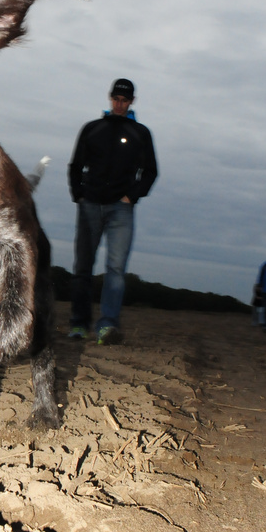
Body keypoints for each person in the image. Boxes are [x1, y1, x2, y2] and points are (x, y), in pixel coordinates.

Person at [68, 78, 158, 344]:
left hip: (121, 208)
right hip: (90, 206)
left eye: (125, 100)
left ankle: (107, 325)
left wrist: (133, 195)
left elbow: (150, 171)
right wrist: (79, 194)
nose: (119, 103)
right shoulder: (93, 129)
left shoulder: (140, 133)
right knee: (83, 267)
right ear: (110, 98)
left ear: (131, 102)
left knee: (115, 269)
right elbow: (76, 165)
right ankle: (79, 325)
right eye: (116, 99)